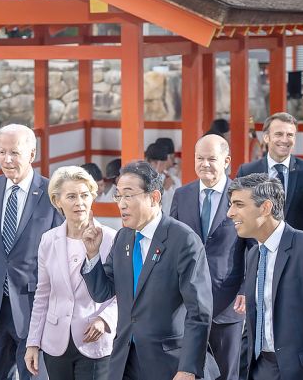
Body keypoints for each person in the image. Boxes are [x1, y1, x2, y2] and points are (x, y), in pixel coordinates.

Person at [81, 161, 219, 380]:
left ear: (154, 197)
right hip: (125, 359)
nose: (121, 204)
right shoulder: (123, 237)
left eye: (128, 195)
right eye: (118, 196)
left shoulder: (183, 240)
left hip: (169, 361)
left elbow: (199, 311)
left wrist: (188, 368)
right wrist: (92, 255)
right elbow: (102, 291)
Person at [0, 124, 63, 380]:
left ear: (32, 154)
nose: (7, 159)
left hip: (35, 308)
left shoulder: (52, 194)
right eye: (2, 151)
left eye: (14, 152)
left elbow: (59, 257)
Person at [229, 173, 303, 380]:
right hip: (259, 369)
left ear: (266, 207)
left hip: (302, 372)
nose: (230, 213)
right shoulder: (254, 254)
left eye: (239, 204)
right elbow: (254, 323)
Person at [25, 166, 118, 380]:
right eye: (72, 196)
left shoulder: (111, 239)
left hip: (94, 339)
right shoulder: (48, 240)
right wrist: (33, 343)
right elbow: (42, 295)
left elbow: (123, 292)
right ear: (58, 201)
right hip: (55, 342)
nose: (80, 202)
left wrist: (104, 320)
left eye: (85, 195)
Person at [170, 134, 247, 380]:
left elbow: (253, 247)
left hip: (227, 301)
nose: (204, 164)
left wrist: (246, 289)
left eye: (211, 159)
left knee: (226, 373)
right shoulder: (182, 195)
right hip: (187, 303)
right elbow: (172, 245)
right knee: (190, 371)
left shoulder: (242, 196)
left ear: (226, 161)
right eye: (199, 158)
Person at [236, 112, 303, 233]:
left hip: (299, 247)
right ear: (266, 137)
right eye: (279, 134)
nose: (284, 140)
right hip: (257, 246)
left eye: (290, 135)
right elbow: (239, 213)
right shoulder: (247, 171)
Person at [146, 143, 177, 214]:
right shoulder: (140, 179)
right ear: (147, 161)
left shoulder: (169, 179)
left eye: (162, 164)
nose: (159, 167)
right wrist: (165, 189)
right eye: (155, 163)